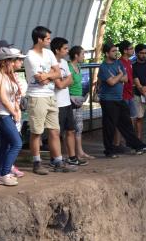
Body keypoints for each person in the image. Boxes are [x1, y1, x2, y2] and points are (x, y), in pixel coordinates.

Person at [23, 26, 65, 175]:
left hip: (50, 95)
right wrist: (50, 75)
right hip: (37, 96)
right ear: (39, 39)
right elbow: (40, 80)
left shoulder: (48, 53)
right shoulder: (30, 57)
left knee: (55, 130)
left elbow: (58, 73)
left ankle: (58, 160)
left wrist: (47, 75)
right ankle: (36, 162)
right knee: (37, 131)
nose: (49, 41)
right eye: (47, 38)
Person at [99, 42, 146, 157]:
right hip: (108, 100)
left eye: (116, 50)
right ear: (107, 53)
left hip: (119, 98)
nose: (116, 53)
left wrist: (118, 76)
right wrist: (119, 75)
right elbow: (112, 82)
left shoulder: (118, 63)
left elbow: (126, 78)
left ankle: (138, 146)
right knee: (110, 126)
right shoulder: (103, 67)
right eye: (113, 51)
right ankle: (109, 151)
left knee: (126, 124)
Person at [0, 46, 26, 186]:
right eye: (11, 60)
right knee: (17, 143)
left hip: (9, 115)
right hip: (2, 115)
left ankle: (0, 175)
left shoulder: (8, 75)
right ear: (4, 61)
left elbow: (14, 96)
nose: (14, 63)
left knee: (5, 145)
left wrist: (16, 109)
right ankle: (5, 173)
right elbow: (3, 99)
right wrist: (14, 112)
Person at [51, 37, 87, 168]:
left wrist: (64, 81)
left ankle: (72, 157)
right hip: (57, 103)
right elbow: (60, 84)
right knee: (56, 133)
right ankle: (55, 158)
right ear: (57, 50)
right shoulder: (52, 63)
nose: (67, 51)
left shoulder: (65, 63)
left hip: (66, 102)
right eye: (65, 48)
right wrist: (65, 81)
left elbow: (70, 80)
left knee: (71, 130)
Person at [67, 45, 95, 160]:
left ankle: (80, 152)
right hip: (71, 101)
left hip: (78, 100)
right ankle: (73, 154)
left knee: (79, 127)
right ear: (76, 55)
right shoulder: (69, 67)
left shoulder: (78, 66)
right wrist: (71, 98)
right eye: (82, 54)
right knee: (71, 128)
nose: (84, 56)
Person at [116, 40, 137, 149]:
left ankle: (129, 141)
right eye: (131, 48)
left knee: (132, 117)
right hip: (122, 95)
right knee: (122, 121)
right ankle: (118, 144)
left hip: (130, 94)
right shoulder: (119, 62)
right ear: (125, 50)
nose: (133, 50)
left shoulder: (129, 62)